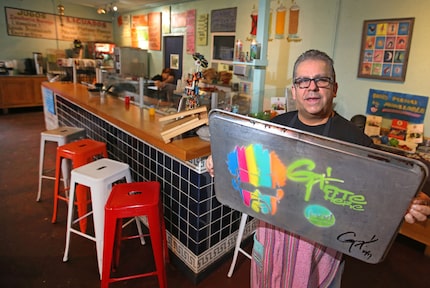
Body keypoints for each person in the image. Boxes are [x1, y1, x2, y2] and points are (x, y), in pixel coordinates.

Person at [205, 49, 430, 287]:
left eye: (321, 80)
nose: (311, 87)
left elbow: (388, 182)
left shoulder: (355, 140)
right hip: (273, 237)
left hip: (324, 244)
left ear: (334, 88)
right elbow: (244, 159)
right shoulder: (273, 127)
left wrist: (413, 200)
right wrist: (218, 158)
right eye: (302, 81)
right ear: (294, 90)